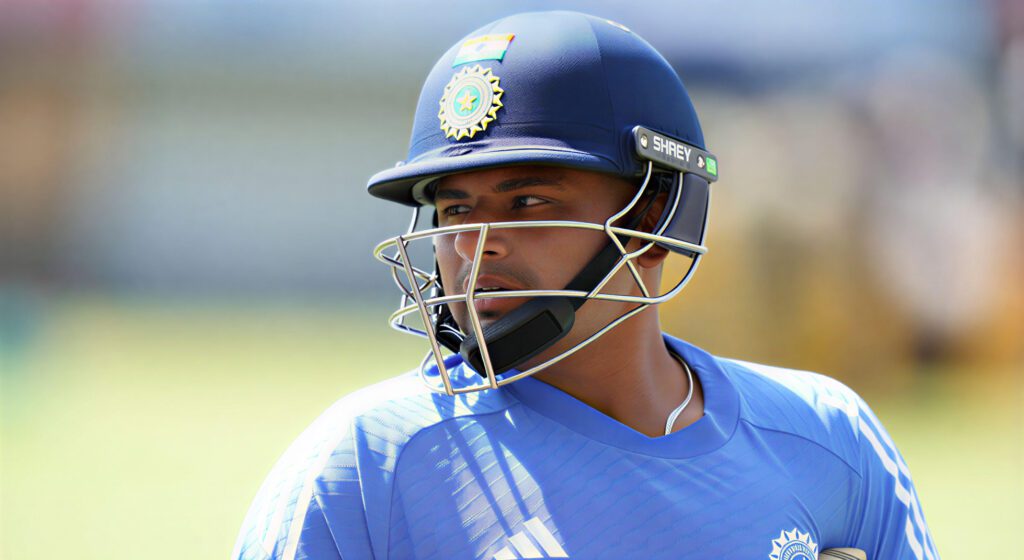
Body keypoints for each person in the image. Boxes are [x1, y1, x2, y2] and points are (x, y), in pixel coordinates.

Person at [233, 11, 938, 560]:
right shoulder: (368, 461)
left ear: (653, 215)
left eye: (528, 202)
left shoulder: (825, 436)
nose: (477, 243)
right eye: (454, 210)